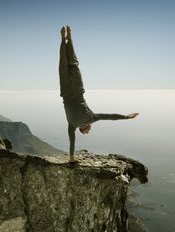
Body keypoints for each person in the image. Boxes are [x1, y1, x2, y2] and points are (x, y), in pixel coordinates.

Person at [59, 25, 139, 163]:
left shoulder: (91, 119)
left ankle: (68, 39)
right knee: (64, 65)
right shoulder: (72, 125)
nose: (89, 131)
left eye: (87, 132)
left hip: (76, 90)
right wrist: (71, 157)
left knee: (72, 64)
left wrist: (127, 117)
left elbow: (110, 116)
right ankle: (64, 39)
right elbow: (72, 141)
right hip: (66, 92)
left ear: (83, 129)